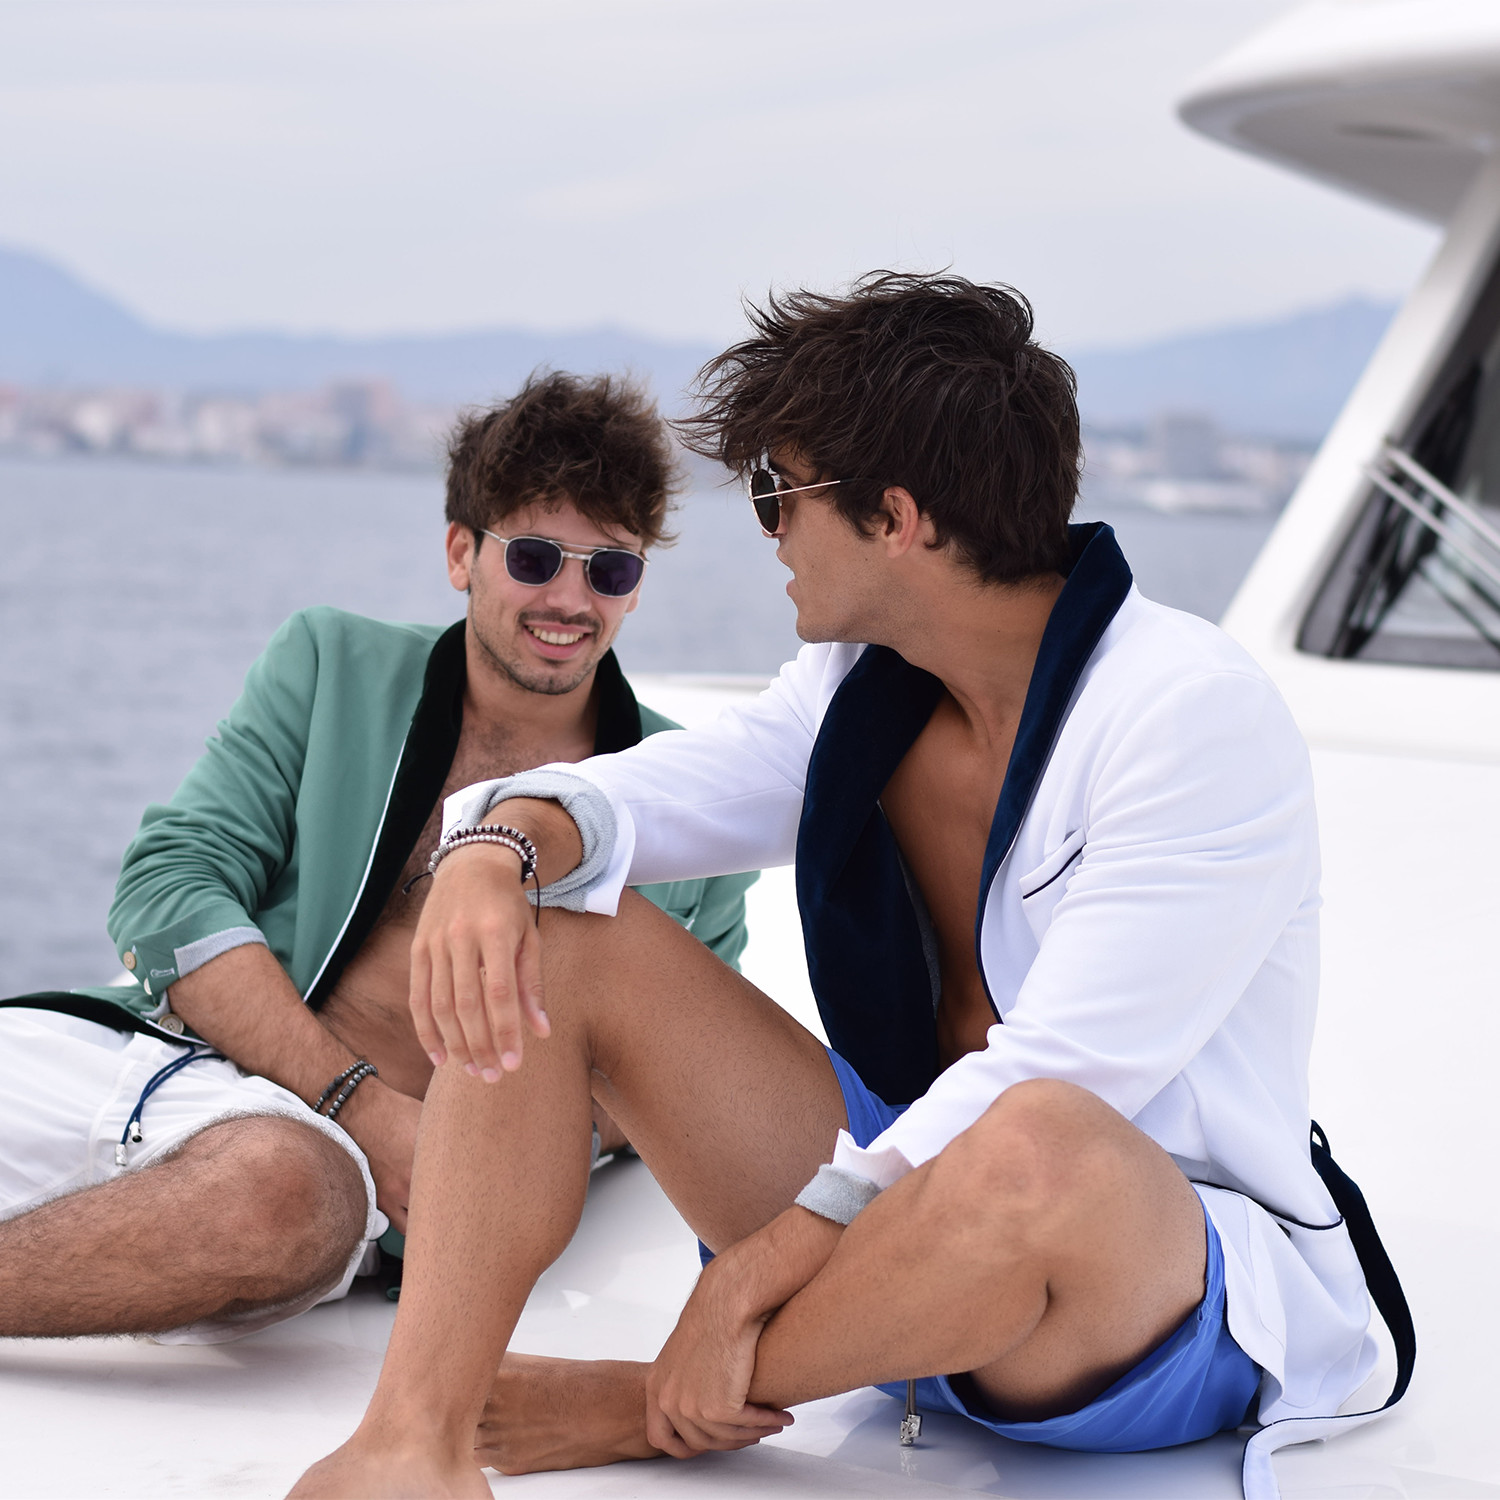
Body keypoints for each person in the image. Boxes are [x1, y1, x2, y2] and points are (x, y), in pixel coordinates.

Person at [292, 274, 1399, 1500]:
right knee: (555, 925)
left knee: (1042, 1141)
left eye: (780, 490)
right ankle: (413, 1443)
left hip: (1128, 1293)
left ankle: (656, 1401)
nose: (766, 530)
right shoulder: (863, 683)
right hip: (896, 1255)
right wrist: (496, 845)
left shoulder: (1189, 714)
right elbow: (663, 791)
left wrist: (773, 1255)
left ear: (897, 518)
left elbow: (1071, 1070)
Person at [0, 370, 756, 1345]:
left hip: (311, 1170)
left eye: (609, 569)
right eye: (535, 558)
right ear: (461, 553)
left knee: (280, 1198)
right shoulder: (331, 665)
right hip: (131, 1052)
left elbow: (667, 1086)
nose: (571, 600)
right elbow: (168, 886)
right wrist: (359, 1101)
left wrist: (473, 1155)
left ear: (636, 586)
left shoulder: (681, 808)